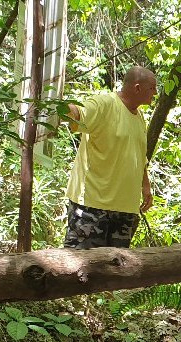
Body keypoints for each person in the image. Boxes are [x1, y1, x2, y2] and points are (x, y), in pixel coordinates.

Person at [63, 66, 156, 249]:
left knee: (116, 270)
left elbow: (139, 155)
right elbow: (78, 113)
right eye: (152, 88)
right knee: (81, 269)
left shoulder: (139, 118)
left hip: (124, 210)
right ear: (137, 88)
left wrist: (145, 186)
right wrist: (57, 106)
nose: (155, 92)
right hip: (92, 207)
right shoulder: (104, 104)